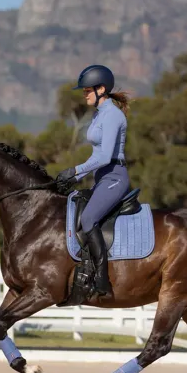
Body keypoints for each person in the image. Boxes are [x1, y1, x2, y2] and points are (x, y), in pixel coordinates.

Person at [56, 64, 132, 297]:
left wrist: (75, 170)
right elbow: (95, 156)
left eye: (87, 90)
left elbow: (105, 155)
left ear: (101, 89)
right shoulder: (100, 114)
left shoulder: (113, 115)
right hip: (101, 176)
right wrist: (75, 176)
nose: (84, 94)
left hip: (114, 176)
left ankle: (102, 280)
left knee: (88, 218)